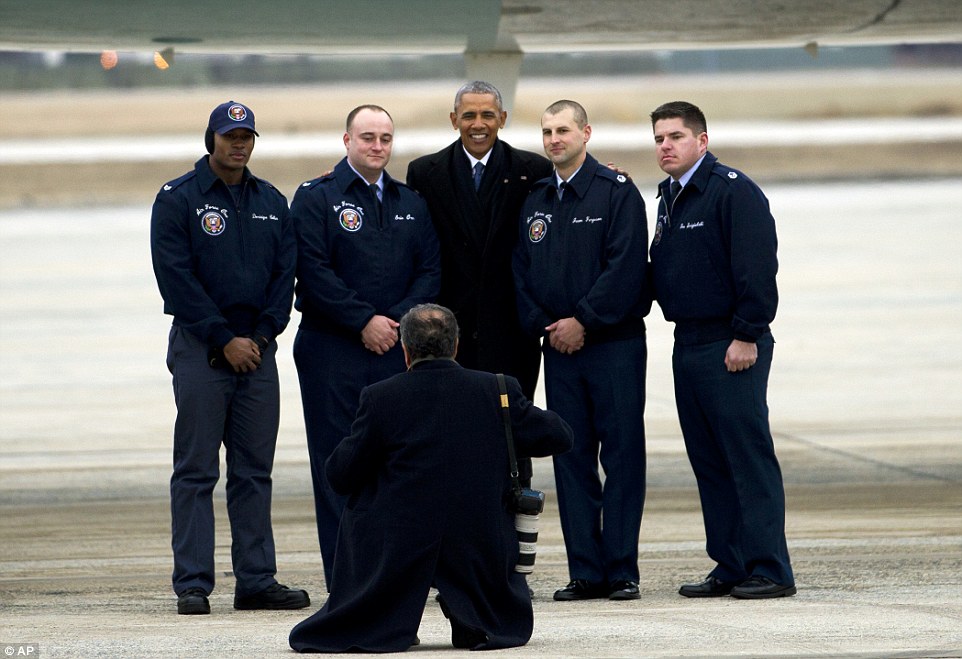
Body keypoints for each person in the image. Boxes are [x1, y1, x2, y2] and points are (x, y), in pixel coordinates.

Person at [289, 304, 573, 653]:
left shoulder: (382, 396)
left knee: (363, 502)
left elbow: (339, 475)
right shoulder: (497, 389)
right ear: (455, 346)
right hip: (478, 537)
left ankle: (385, 621)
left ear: (405, 350)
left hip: (400, 540)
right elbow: (560, 436)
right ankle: (473, 616)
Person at [150, 100, 309, 615]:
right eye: (229, 136)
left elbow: (284, 278)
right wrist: (223, 339)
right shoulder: (179, 198)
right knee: (196, 470)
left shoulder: (271, 200)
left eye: (246, 137)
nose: (238, 144)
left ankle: (256, 579)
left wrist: (260, 338)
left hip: (257, 352)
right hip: (202, 349)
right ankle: (193, 583)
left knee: (253, 471)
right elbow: (175, 278)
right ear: (210, 139)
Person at [648, 101, 796, 599]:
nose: (665, 146)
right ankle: (730, 563)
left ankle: (769, 568)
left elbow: (757, 268)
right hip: (686, 341)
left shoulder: (733, 191)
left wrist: (747, 333)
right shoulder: (669, 195)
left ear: (701, 141)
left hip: (730, 343)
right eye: (659, 139)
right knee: (709, 460)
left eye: (675, 137)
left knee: (746, 458)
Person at [290, 104, 441, 587]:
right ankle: (346, 578)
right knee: (337, 463)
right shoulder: (316, 198)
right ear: (346, 141)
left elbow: (430, 270)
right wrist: (362, 321)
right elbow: (312, 271)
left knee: (398, 466)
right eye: (368, 137)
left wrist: (393, 322)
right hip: (332, 350)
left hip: (396, 351)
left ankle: (395, 575)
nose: (378, 147)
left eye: (385, 138)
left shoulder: (410, 203)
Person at [512, 100, 650, 601]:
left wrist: (584, 320)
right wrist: (546, 328)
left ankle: (621, 570)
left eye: (564, 130)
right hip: (560, 352)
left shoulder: (616, 192)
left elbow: (626, 266)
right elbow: (521, 272)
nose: (554, 139)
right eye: (547, 131)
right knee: (570, 459)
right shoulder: (537, 199)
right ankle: (586, 571)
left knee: (622, 456)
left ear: (586, 133)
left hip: (613, 347)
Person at [406, 81, 551, 403]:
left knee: (511, 425)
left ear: (502, 117)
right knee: (455, 423)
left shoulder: (534, 170)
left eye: (487, 114)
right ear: (453, 119)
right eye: (468, 115)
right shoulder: (425, 173)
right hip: (448, 330)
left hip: (512, 327)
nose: (478, 124)